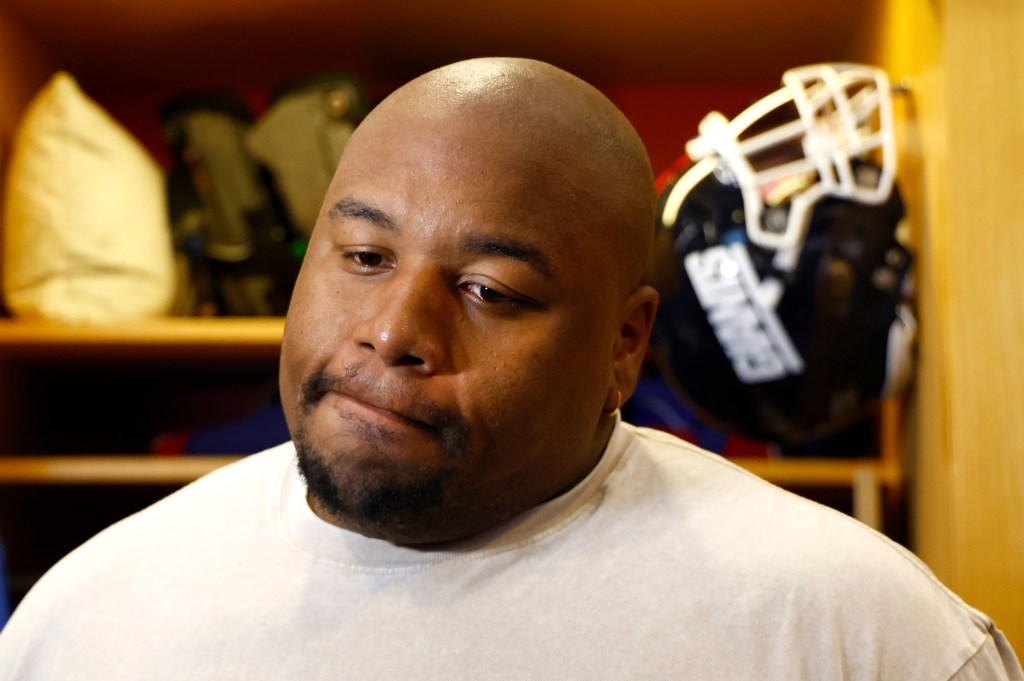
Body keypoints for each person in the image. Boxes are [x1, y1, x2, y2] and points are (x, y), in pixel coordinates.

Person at [0, 57, 1020, 680]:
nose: (394, 332)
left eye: (488, 290)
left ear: (625, 345)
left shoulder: (861, 635)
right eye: (363, 257)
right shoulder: (84, 621)